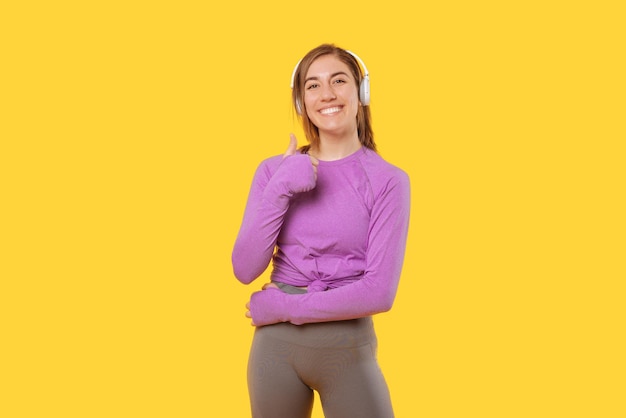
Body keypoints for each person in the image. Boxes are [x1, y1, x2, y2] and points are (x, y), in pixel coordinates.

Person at [232, 43, 410, 418]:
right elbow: (245, 268)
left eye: (338, 80)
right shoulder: (272, 171)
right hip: (275, 351)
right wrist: (280, 188)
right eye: (312, 86)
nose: (326, 94)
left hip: (346, 347)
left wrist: (285, 307)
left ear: (361, 92)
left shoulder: (388, 180)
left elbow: (379, 293)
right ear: (300, 102)